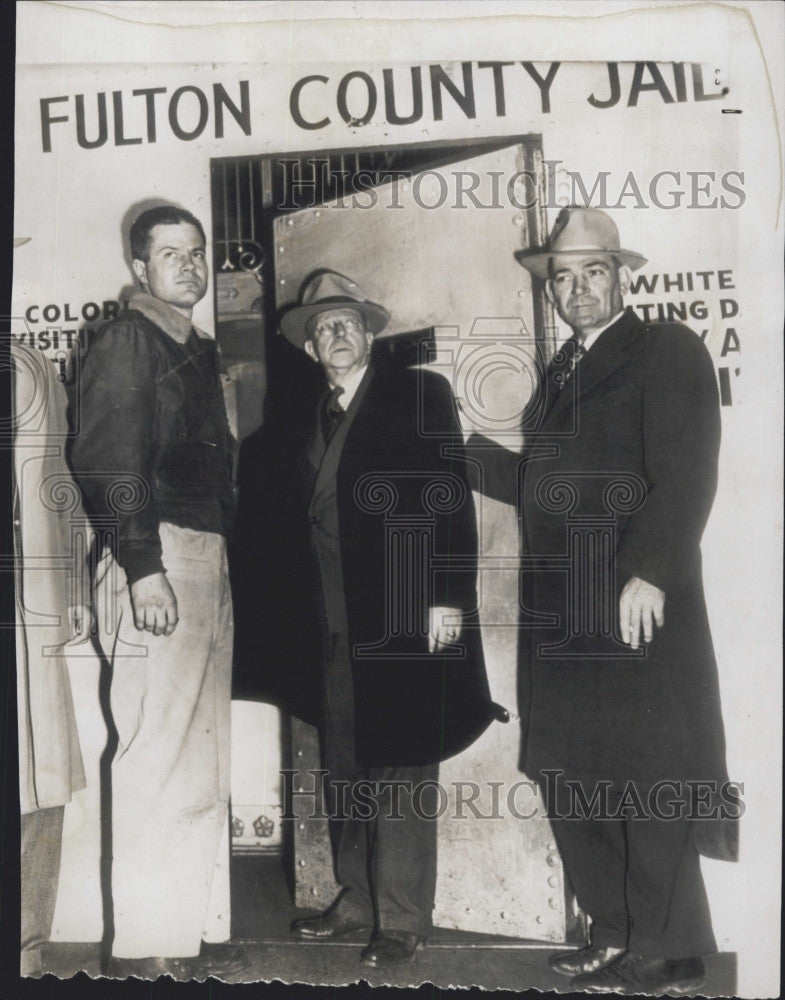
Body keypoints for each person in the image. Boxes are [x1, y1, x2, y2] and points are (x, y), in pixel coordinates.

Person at [515, 207, 728, 994]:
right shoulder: (563, 372)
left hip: (628, 598)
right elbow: (541, 484)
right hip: (563, 614)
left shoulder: (663, 349)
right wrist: (453, 453)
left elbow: (685, 469)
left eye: (590, 272)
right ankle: (612, 930)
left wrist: (650, 571)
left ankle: (667, 946)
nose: (574, 289)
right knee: (574, 775)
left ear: (620, 274)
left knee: (646, 773)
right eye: (560, 278)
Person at [271, 270, 500, 968]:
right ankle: (355, 900)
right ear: (311, 348)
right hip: (327, 618)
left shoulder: (417, 392)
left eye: (345, 320)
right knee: (342, 762)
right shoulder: (303, 413)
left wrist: (446, 596)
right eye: (321, 326)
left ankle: (400, 918)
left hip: (402, 607)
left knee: (400, 761)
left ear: (368, 333)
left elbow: (449, 496)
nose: (334, 333)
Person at [67, 205, 247, 980]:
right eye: (169, 254)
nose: (188, 266)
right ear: (140, 268)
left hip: (202, 557)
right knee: (154, 758)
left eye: (197, 253)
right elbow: (108, 462)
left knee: (197, 761)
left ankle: (176, 930)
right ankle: (142, 952)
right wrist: (142, 566)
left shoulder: (197, 349)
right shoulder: (126, 340)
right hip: (158, 559)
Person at [13, 342, 88, 977]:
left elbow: (64, 478)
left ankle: (27, 945)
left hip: (30, 600)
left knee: (41, 772)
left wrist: (76, 589)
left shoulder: (35, 366)